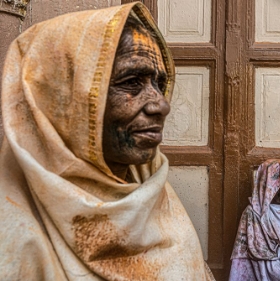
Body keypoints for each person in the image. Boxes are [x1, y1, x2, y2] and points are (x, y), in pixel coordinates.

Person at [0, 2, 214, 280]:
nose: (161, 105)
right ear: (62, 100)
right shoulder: (14, 239)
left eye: (159, 84)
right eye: (131, 82)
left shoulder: (159, 203)